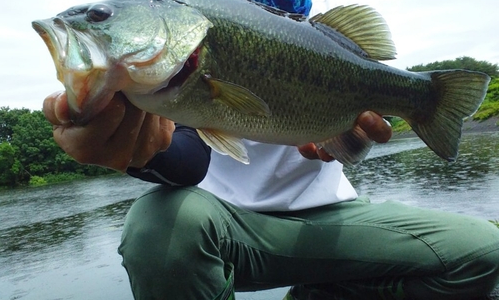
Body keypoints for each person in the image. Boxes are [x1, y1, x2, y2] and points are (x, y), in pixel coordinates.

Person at [43, 91, 499, 300]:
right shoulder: (193, 58)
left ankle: (321, 293)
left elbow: (359, 136)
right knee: (159, 220)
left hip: (334, 219)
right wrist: (138, 154)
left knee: (483, 251)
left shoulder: (332, 40)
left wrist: (349, 137)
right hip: (232, 230)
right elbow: (188, 159)